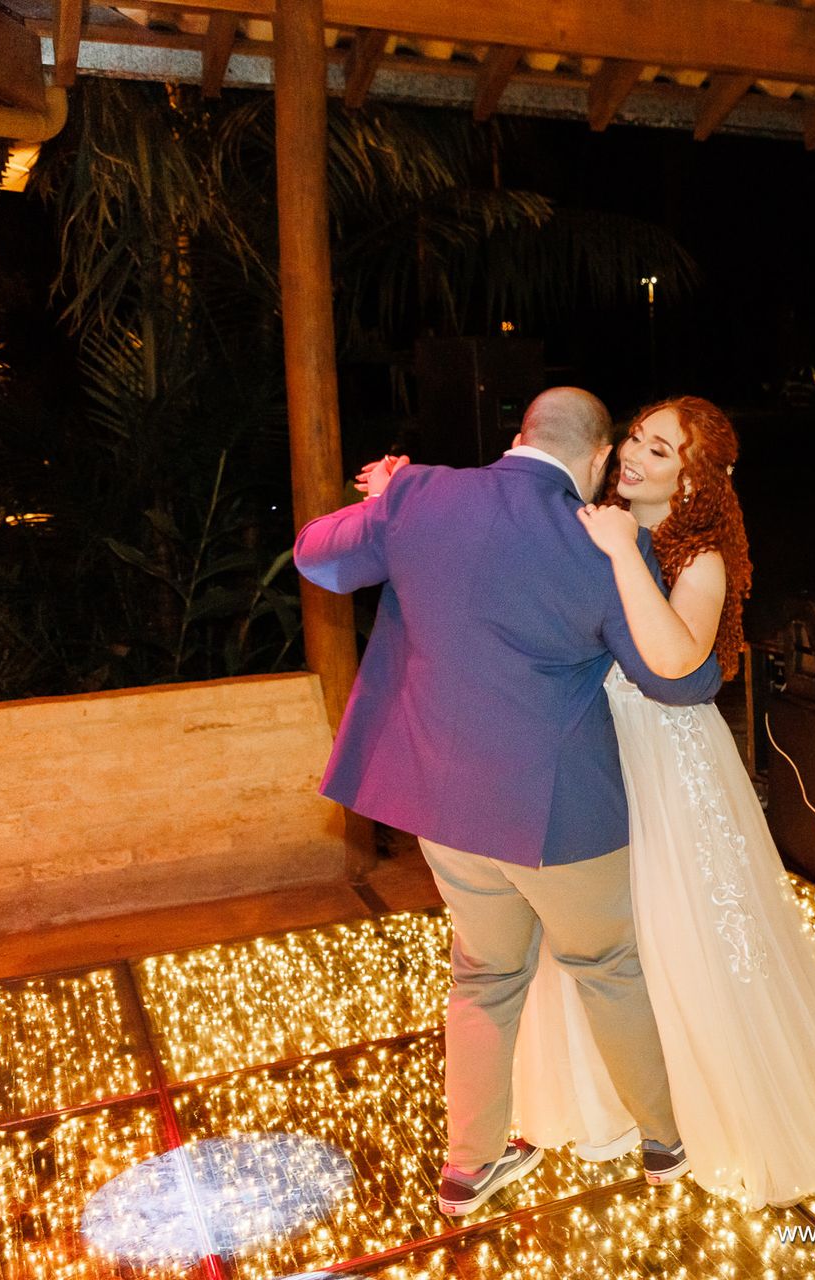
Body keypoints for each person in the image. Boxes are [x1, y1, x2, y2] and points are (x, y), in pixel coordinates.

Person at [292, 387, 722, 1217]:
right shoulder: (599, 543)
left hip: (446, 810)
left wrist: (389, 501)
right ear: (598, 459)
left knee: (483, 978)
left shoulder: (422, 493)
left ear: (518, 436)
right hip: (560, 815)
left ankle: (466, 1170)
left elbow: (319, 557)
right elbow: (684, 684)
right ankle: (664, 1142)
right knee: (607, 969)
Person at [515, 394, 815, 1210]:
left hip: (668, 760)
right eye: (636, 437)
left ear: (696, 480)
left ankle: (705, 1106)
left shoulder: (696, 556)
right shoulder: (595, 523)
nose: (634, 454)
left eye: (660, 451)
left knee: (685, 925)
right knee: (603, 932)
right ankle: (615, 1099)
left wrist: (624, 553)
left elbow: (675, 662)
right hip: (598, 754)